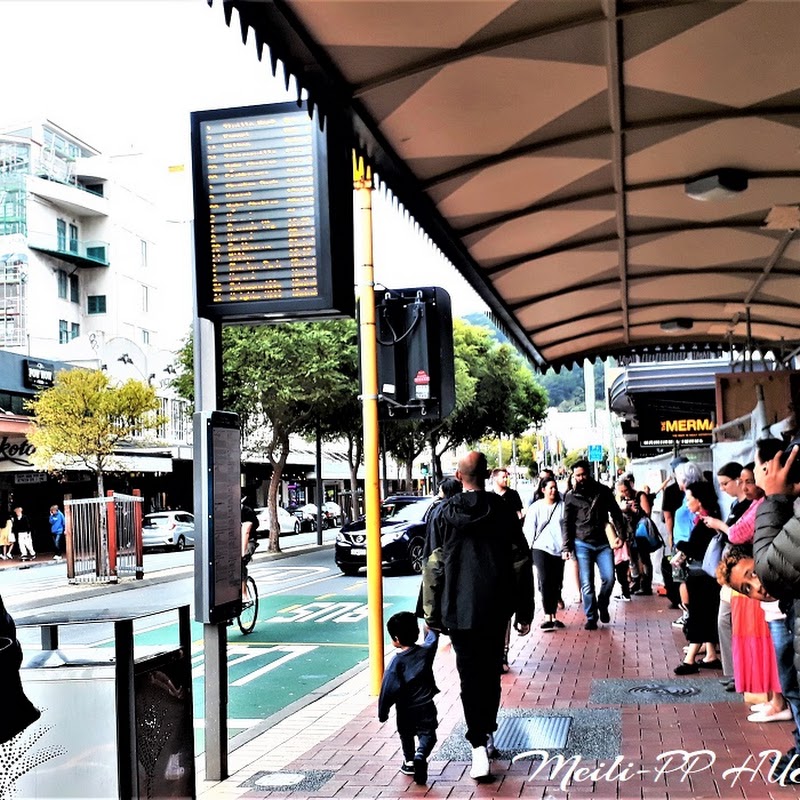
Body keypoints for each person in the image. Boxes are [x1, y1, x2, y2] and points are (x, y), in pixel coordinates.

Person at [422, 451, 533, 782]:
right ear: (486, 475)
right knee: (491, 673)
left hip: (458, 610)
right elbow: (520, 562)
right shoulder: (502, 511)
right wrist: (524, 609)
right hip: (496, 607)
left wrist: (431, 613)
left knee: (469, 676)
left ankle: (477, 747)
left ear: (458, 475)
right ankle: (488, 731)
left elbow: (432, 567)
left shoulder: (442, 514)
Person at [561, 459, 625, 630]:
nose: (581, 478)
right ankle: (591, 617)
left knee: (609, 578)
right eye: (577, 475)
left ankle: (602, 604)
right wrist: (566, 547)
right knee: (587, 583)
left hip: (603, 543)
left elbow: (616, 513)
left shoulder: (603, 491)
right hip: (582, 543)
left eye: (583, 474)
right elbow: (566, 522)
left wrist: (622, 536)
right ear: (573, 476)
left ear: (589, 473)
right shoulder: (570, 496)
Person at [378, 611, 439, 785]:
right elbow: (432, 639)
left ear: (396, 638)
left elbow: (387, 690)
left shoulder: (395, 663)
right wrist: (431, 626)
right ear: (416, 633)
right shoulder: (426, 652)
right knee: (428, 734)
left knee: (406, 735)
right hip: (426, 705)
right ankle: (421, 754)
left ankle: (410, 761)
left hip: (405, 709)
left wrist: (383, 713)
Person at [671, 481, 722, 674]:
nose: (687, 503)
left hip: (703, 575)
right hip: (704, 574)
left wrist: (681, 546)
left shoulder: (707, 522)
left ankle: (690, 659)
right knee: (706, 615)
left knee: (699, 616)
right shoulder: (706, 520)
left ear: (699, 501)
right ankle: (710, 654)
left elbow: (697, 548)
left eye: (689, 499)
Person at [491, 467, 524, 672]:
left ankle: (503, 654)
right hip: (493, 556)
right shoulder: (488, 498)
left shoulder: (513, 496)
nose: (506, 478)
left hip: (509, 552)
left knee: (504, 613)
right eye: (503, 476)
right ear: (494, 478)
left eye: (507, 476)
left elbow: (520, 515)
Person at [524, 477, 566, 629]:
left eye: (555, 487)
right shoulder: (536, 507)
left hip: (558, 549)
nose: (554, 490)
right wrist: (527, 549)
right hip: (540, 548)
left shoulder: (563, 506)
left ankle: (554, 616)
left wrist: (567, 548)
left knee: (557, 582)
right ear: (543, 490)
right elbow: (529, 530)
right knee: (545, 580)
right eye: (550, 488)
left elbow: (567, 529)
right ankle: (548, 616)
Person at [240, 491, 259, 597]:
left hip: (249, 540)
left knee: (240, 563)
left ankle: (244, 594)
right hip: (234, 540)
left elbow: (246, 533)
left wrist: (243, 553)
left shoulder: (247, 512)